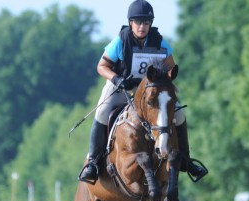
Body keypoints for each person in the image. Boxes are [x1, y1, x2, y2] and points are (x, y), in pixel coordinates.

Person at [78, 0, 208, 184]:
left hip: (150, 91)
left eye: (146, 23)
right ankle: (93, 161)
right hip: (122, 85)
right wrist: (117, 79)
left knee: (179, 114)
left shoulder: (159, 41)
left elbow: (170, 67)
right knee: (102, 110)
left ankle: (186, 160)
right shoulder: (120, 41)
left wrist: (165, 77)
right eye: (138, 22)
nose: (142, 26)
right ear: (131, 23)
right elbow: (102, 66)